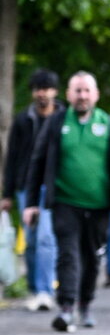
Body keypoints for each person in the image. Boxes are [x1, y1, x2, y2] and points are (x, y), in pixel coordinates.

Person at [22, 71, 110, 332]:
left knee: (90, 257)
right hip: (65, 202)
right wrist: (31, 203)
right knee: (68, 254)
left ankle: (85, 303)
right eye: (77, 90)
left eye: (87, 90)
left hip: (99, 206)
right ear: (69, 94)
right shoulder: (56, 123)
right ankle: (66, 307)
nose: (82, 96)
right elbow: (37, 163)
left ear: (95, 95)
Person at [2, 68, 64, 312]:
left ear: (55, 91)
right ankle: (34, 286)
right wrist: (7, 193)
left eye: (47, 88)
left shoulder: (63, 118)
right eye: (39, 89)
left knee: (46, 237)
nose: (43, 94)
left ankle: (45, 290)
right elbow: (12, 158)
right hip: (26, 185)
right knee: (31, 241)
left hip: (52, 185)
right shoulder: (22, 120)